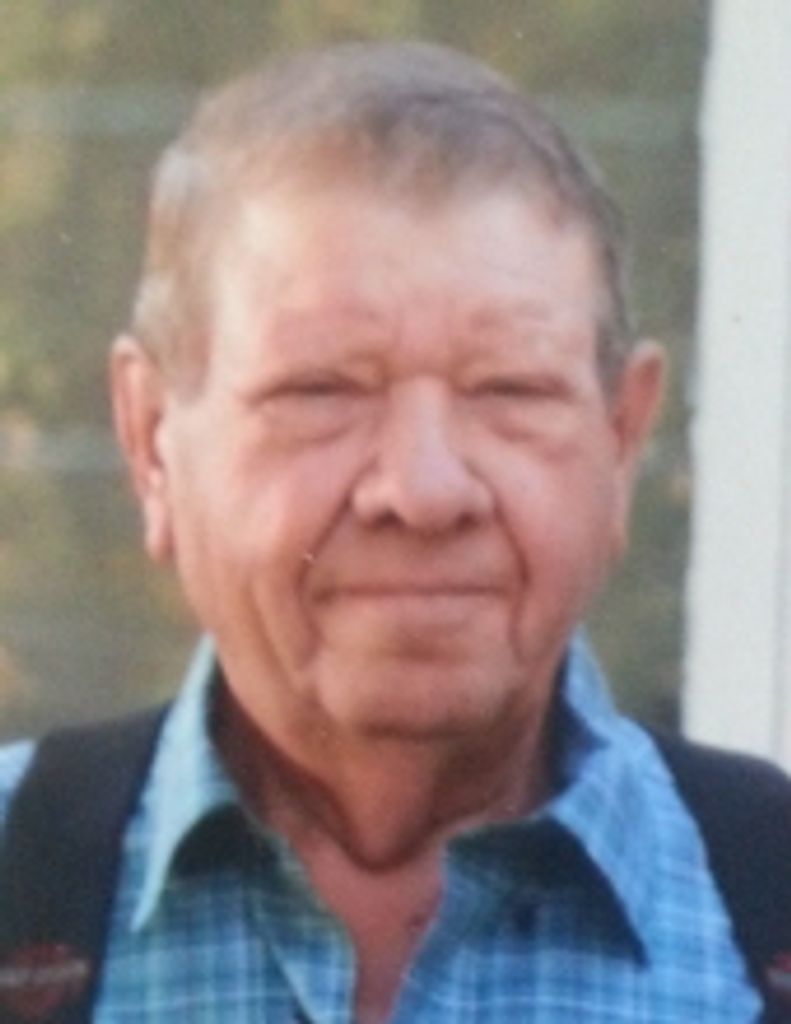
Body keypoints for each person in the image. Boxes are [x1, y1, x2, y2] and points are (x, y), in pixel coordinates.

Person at [0, 40, 782, 1023]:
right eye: (322, 390)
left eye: (508, 389)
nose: (422, 490)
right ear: (151, 438)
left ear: (620, 438)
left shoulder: (763, 916)